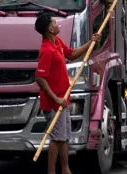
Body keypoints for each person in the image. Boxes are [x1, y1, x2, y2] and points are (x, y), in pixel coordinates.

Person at [34, 13, 100, 174]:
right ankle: (52, 171)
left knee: (64, 138)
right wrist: (55, 98)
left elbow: (71, 53)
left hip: (64, 100)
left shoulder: (56, 42)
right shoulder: (47, 50)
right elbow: (39, 78)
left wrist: (91, 43)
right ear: (50, 29)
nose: (57, 24)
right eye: (54, 22)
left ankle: (65, 169)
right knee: (56, 139)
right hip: (53, 103)